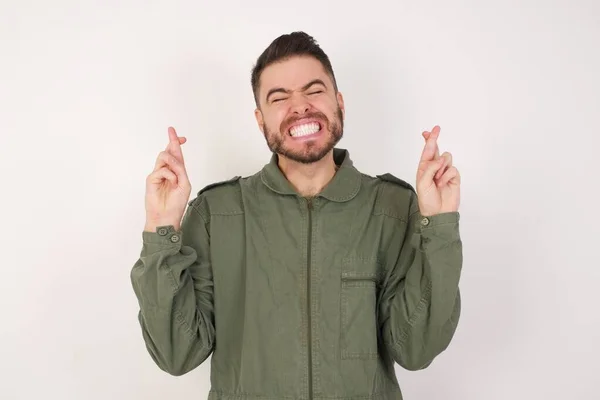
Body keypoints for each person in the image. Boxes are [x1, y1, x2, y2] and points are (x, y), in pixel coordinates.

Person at [130, 31, 462, 400]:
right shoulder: (216, 214)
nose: (300, 106)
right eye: (279, 97)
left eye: (314, 90)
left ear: (339, 102)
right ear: (260, 120)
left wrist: (440, 225)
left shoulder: (394, 209)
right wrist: (161, 229)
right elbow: (177, 353)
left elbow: (415, 350)